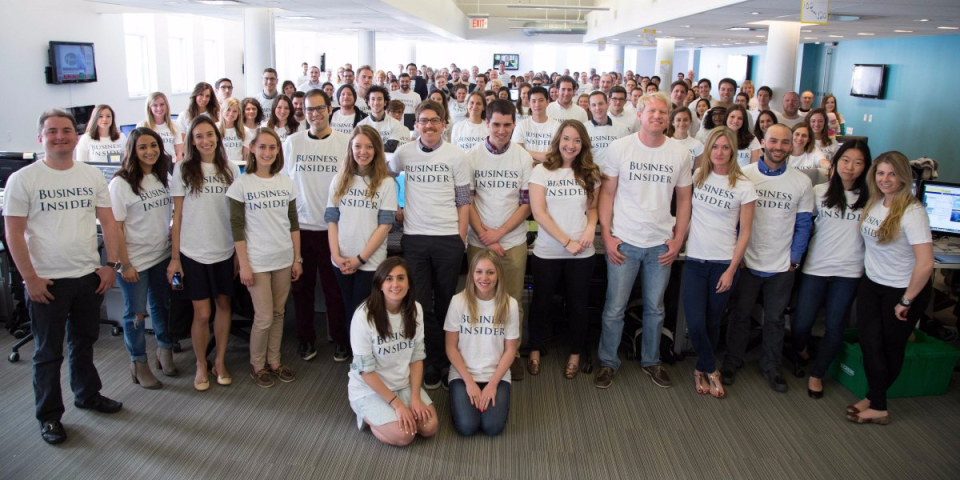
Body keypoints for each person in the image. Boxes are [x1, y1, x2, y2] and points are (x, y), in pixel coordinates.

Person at [5, 109, 123, 444]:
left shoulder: (90, 176)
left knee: (84, 342)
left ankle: (87, 394)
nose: (60, 136)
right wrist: (30, 278)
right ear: (41, 137)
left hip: (87, 275)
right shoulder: (24, 180)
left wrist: (110, 265)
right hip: (46, 281)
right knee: (48, 352)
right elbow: (13, 234)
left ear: (77, 135)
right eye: (52, 131)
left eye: (67, 130)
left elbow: (109, 223)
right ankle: (50, 416)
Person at [595, 92, 693, 390]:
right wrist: (607, 236)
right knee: (615, 307)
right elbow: (607, 195)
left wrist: (678, 240)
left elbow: (685, 200)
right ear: (639, 114)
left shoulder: (679, 153)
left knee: (656, 308)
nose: (658, 116)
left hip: (660, 245)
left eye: (663, 112)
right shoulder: (620, 148)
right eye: (651, 111)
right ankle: (608, 362)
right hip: (624, 241)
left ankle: (652, 361)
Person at [721, 124, 813, 392]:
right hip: (747, 261)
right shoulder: (744, 175)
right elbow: (734, 220)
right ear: (762, 142)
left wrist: (794, 260)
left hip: (781, 265)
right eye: (773, 141)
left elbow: (804, 224)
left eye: (785, 142)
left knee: (774, 319)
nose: (779, 147)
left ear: (791, 145)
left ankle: (771, 366)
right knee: (740, 314)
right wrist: (735, 257)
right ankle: (732, 360)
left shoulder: (801, 182)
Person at [388, 100, 471, 390]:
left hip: (448, 239)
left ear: (444, 124)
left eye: (435, 120)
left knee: (447, 303)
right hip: (416, 239)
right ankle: (436, 361)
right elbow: (384, 178)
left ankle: (446, 360)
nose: (429, 125)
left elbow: (464, 201)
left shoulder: (456, 156)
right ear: (416, 125)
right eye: (423, 120)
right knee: (421, 304)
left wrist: (460, 240)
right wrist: (394, 206)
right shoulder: (404, 153)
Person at [849, 151, 933, 425]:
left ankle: (878, 406)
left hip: (902, 291)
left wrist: (907, 301)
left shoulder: (912, 211)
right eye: (881, 173)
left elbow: (925, 264)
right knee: (870, 344)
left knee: (888, 348)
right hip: (873, 284)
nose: (885, 179)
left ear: (903, 177)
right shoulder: (876, 202)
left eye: (892, 174)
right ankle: (875, 398)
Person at [791, 140, 871, 399]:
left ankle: (817, 374)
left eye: (858, 162)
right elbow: (801, 225)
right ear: (836, 162)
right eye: (846, 160)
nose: (850, 167)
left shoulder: (870, 199)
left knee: (835, 327)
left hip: (849, 272)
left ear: (865, 167)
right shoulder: (818, 191)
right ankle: (802, 349)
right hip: (816, 267)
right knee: (801, 323)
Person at [680, 127, 756, 399]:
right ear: (708, 150)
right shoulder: (698, 176)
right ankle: (713, 370)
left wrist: (732, 269)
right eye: (715, 147)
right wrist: (677, 240)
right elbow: (688, 217)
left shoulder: (744, 185)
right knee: (696, 324)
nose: (720, 152)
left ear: (733, 151)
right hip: (695, 262)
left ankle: (700, 369)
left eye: (725, 147)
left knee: (712, 322)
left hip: (724, 264)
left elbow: (745, 231)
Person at [168, 116, 241, 392]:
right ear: (191, 140)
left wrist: (237, 253)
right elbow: (178, 215)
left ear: (218, 137)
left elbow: (236, 215)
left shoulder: (231, 169)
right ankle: (201, 363)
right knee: (201, 313)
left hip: (224, 249)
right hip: (192, 251)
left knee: (224, 306)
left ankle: (219, 361)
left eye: (210, 135)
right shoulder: (183, 169)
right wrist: (175, 258)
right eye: (199, 136)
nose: (205, 140)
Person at [227, 127, 302, 388]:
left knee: (279, 313)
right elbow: (236, 227)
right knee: (264, 317)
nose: (267, 152)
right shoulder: (242, 184)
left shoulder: (286, 182)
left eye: (272, 147)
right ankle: (257, 365)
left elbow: (293, 222)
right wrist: (244, 264)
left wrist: (297, 259)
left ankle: (274, 361)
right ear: (252, 150)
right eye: (262, 147)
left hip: (283, 256)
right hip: (257, 261)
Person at [527, 120, 601, 379]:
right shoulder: (542, 171)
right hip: (548, 250)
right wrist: (565, 241)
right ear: (558, 141)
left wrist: (591, 227)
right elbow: (539, 212)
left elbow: (592, 209)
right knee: (541, 303)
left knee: (579, 305)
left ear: (583, 144)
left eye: (577, 140)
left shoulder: (590, 172)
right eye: (567, 139)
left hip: (582, 252)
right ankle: (535, 350)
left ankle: (575, 353)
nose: (571, 145)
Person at [466, 99, 533, 381]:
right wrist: (485, 234)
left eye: (507, 125)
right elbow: (466, 201)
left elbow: (526, 204)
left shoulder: (523, 158)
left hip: (513, 241)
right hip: (479, 241)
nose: (502, 130)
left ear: (514, 125)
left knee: (512, 301)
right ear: (486, 123)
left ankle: (512, 354)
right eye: (496, 124)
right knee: (478, 300)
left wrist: (499, 234)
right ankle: (481, 353)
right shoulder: (471, 157)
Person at [283, 89, 350, 362]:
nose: (315, 114)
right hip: (300, 228)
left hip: (334, 229)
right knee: (302, 289)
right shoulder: (292, 143)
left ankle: (340, 339)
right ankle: (305, 339)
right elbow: (284, 183)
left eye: (320, 108)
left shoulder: (345, 142)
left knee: (335, 290)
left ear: (330, 108)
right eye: (309, 109)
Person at [110, 128, 175, 390]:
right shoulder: (121, 184)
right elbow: (114, 228)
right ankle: (138, 362)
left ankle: (164, 350)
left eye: (154, 145)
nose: (149, 151)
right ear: (132, 151)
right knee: (136, 314)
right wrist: (124, 264)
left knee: (163, 306)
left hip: (161, 256)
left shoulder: (163, 177)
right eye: (142, 147)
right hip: (133, 261)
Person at [347, 257, 437, 446]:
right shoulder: (364, 316)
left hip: (403, 383)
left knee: (429, 428)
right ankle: (369, 416)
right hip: (370, 389)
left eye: (400, 278)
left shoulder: (415, 310)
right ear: (379, 284)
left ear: (408, 283)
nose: (395, 284)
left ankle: (390, 417)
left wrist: (414, 397)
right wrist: (397, 404)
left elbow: (416, 357)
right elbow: (366, 371)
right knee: (405, 435)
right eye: (388, 279)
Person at [445, 251, 520, 436]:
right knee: (467, 427)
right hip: (463, 375)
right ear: (471, 274)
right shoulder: (458, 301)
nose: (483, 278)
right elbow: (450, 347)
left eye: (490, 272)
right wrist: (469, 383)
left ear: (498, 275)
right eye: (479, 272)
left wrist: (493, 384)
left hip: (496, 375)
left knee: (492, 427)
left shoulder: (510, 304)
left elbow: (510, 350)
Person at [326, 125, 398, 319]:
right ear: (350, 148)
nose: (362, 152)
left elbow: (385, 226)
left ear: (376, 150)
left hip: (370, 262)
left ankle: (360, 351)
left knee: (364, 314)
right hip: (341, 260)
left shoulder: (386, 182)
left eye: (369, 147)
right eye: (357, 146)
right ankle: (350, 350)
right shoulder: (339, 179)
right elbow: (332, 220)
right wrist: (336, 255)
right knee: (348, 309)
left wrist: (360, 259)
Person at [512, 86, 559, 164]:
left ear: (547, 102)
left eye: (541, 100)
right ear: (529, 103)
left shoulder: (556, 126)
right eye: (533, 101)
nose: (537, 104)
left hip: (549, 170)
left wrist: (526, 153)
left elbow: (555, 156)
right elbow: (516, 153)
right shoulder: (521, 126)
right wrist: (543, 157)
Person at [585, 91, 630, 169]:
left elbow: (626, 156)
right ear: (589, 107)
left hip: (615, 175)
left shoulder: (622, 129)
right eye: (593, 105)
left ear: (607, 103)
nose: (597, 108)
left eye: (601, 103)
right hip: (590, 176)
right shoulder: (583, 128)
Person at [138, 92, 183, 161]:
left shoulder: (175, 125)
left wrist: (177, 166)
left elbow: (179, 151)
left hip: (171, 165)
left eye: (162, 104)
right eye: (155, 105)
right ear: (149, 107)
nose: (159, 108)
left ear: (166, 106)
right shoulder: (142, 126)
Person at [219, 97, 248, 165]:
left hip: (239, 167)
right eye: (228, 109)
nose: (231, 113)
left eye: (235, 111)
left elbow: (245, 157)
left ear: (239, 113)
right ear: (223, 110)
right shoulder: (214, 128)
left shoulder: (245, 131)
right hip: (221, 166)